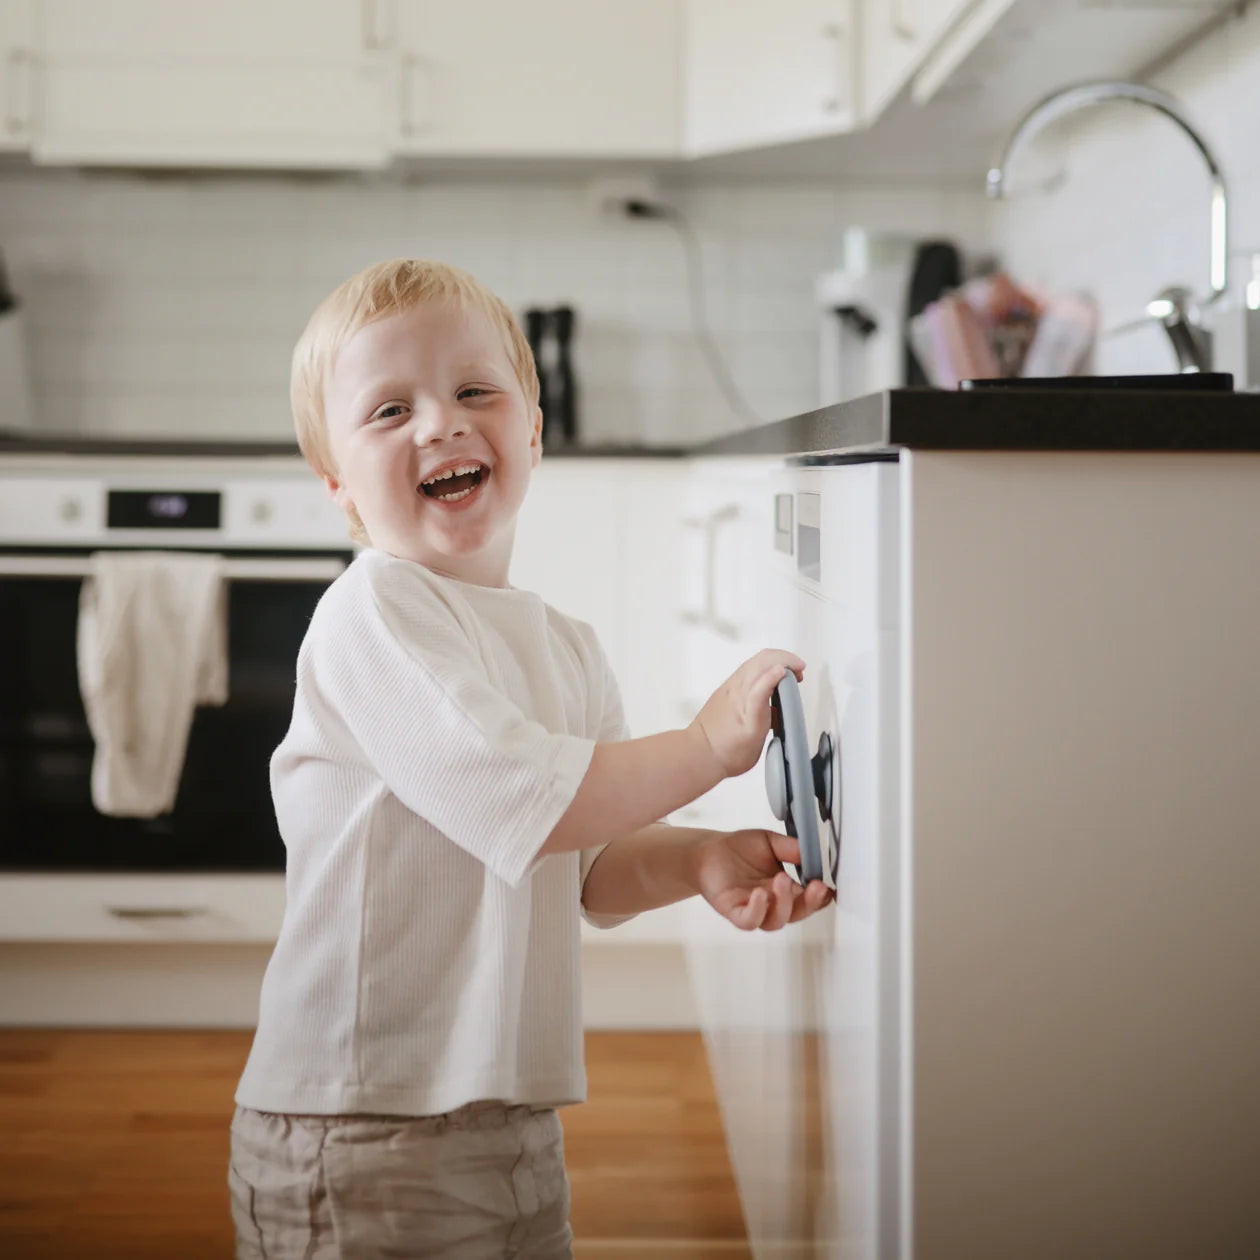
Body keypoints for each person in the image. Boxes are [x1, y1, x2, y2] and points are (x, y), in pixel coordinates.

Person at [228, 257, 834, 1259]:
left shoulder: (566, 647)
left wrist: (693, 858)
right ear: (336, 482)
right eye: (391, 411)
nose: (442, 424)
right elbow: (527, 801)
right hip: (362, 1122)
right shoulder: (373, 611)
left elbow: (588, 865)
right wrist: (703, 748)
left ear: (535, 429)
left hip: (508, 1118)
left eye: (476, 391)